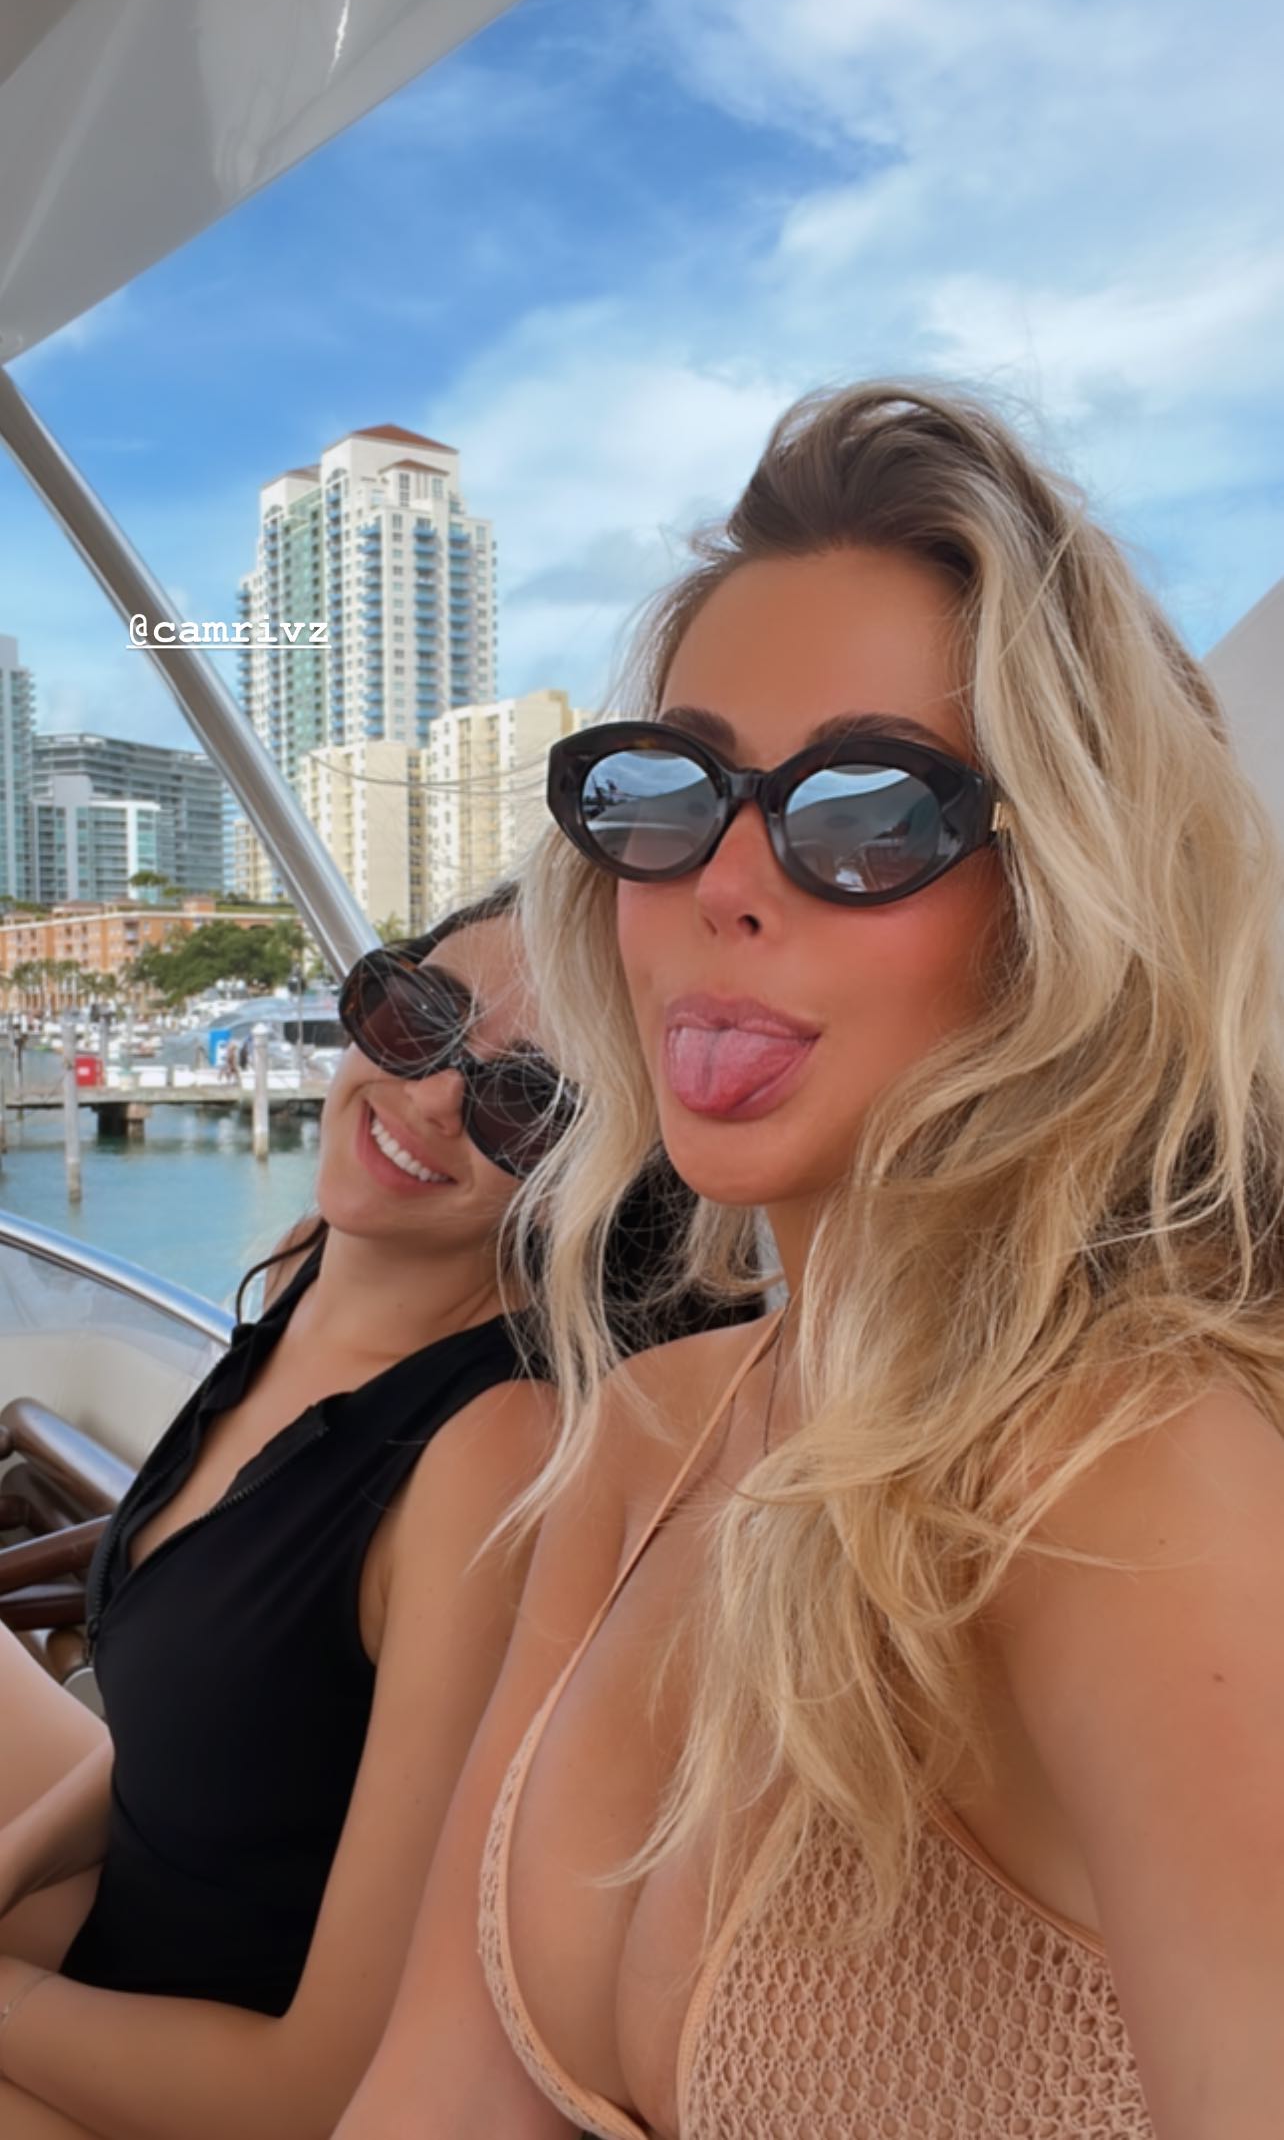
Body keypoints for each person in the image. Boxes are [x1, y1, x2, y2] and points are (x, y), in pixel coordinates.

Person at [338, 382, 1284, 2140]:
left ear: (1062, 899)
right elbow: (430, 2098)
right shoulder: (640, 1444)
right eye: (667, 792)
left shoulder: (1130, 1484)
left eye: (867, 812)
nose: (724, 882)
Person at [0, 889, 571, 2139]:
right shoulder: (315, 1271)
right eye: (422, 1015)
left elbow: (313, 2087)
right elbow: (203, 1737)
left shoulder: (489, 1457)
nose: (432, 1097)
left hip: (199, 2077)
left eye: (526, 1100)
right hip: (124, 1923)